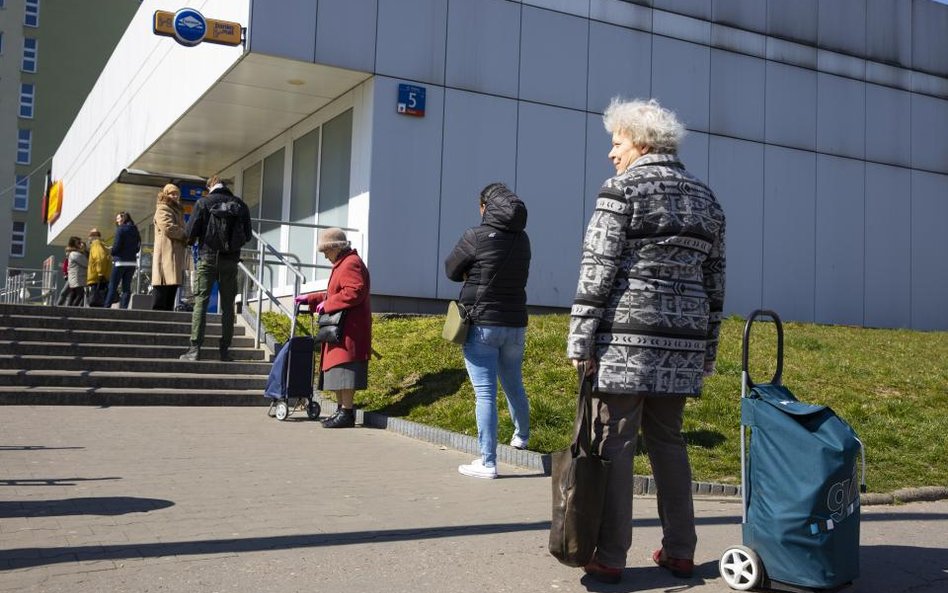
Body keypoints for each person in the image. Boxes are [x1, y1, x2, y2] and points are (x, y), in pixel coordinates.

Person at [566, 98, 726, 584]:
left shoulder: (622, 190)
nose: (612, 154)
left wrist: (580, 338)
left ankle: (610, 554)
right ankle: (680, 549)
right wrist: (707, 350)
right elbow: (715, 280)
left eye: (617, 143)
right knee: (668, 443)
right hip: (683, 342)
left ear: (641, 142)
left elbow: (598, 268)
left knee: (615, 443)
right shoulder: (707, 198)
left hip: (625, 341)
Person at [444, 182, 532, 479]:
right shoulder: (523, 240)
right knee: (514, 384)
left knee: (485, 394)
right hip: (515, 323)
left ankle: (488, 462)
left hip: (482, 324)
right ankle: (521, 437)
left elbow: (451, 270)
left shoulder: (475, 236)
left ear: (486, 206)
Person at [294, 228, 371, 428]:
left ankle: (346, 412)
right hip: (341, 329)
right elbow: (334, 293)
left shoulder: (350, 263)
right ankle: (341, 410)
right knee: (337, 371)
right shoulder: (342, 263)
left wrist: (327, 305)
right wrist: (311, 299)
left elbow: (355, 291)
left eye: (326, 252)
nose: (325, 256)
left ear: (336, 248)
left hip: (349, 330)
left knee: (345, 371)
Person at [179, 175, 252, 361]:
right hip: (230, 262)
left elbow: (190, 232)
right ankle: (225, 350)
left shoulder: (203, 202)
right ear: (225, 186)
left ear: (209, 186)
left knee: (201, 302)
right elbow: (248, 235)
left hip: (207, 258)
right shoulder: (240, 204)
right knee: (228, 306)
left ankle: (194, 350)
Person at [151, 184, 189, 311]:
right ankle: (157, 318)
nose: (175, 196)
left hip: (174, 252)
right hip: (166, 253)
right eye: (172, 193)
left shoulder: (177, 210)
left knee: (172, 285)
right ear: (166, 194)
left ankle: (167, 313)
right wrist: (185, 234)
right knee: (163, 285)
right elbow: (168, 228)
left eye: (177, 194)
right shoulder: (163, 208)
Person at [105, 211, 141, 309]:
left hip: (120, 262)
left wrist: (111, 251)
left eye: (118, 219)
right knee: (126, 288)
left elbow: (117, 246)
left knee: (113, 285)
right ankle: (124, 309)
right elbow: (138, 247)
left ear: (123, 218)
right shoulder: (135, 230)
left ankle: (106, 307)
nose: (117, 221)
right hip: (132, 263)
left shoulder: (120, 230)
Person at [85, 228, 112, 307]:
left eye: (90, 236)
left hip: (96, 277)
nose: (89, 238)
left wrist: (100, 272)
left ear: (93, 237)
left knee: (95, 299)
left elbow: (100, 258)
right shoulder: (101, 245)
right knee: (99, 299)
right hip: (100, 276)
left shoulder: (96, 244)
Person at [65, 236, 89, 307]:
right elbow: (86, 263)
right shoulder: (75, 254)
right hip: (77, 278)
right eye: (79, 243)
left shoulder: (75, 253)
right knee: (80, 294)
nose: (81, 244)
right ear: (74, 244)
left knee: (73, 294)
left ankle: (68, 309)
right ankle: (73, 309)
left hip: (76, 278)